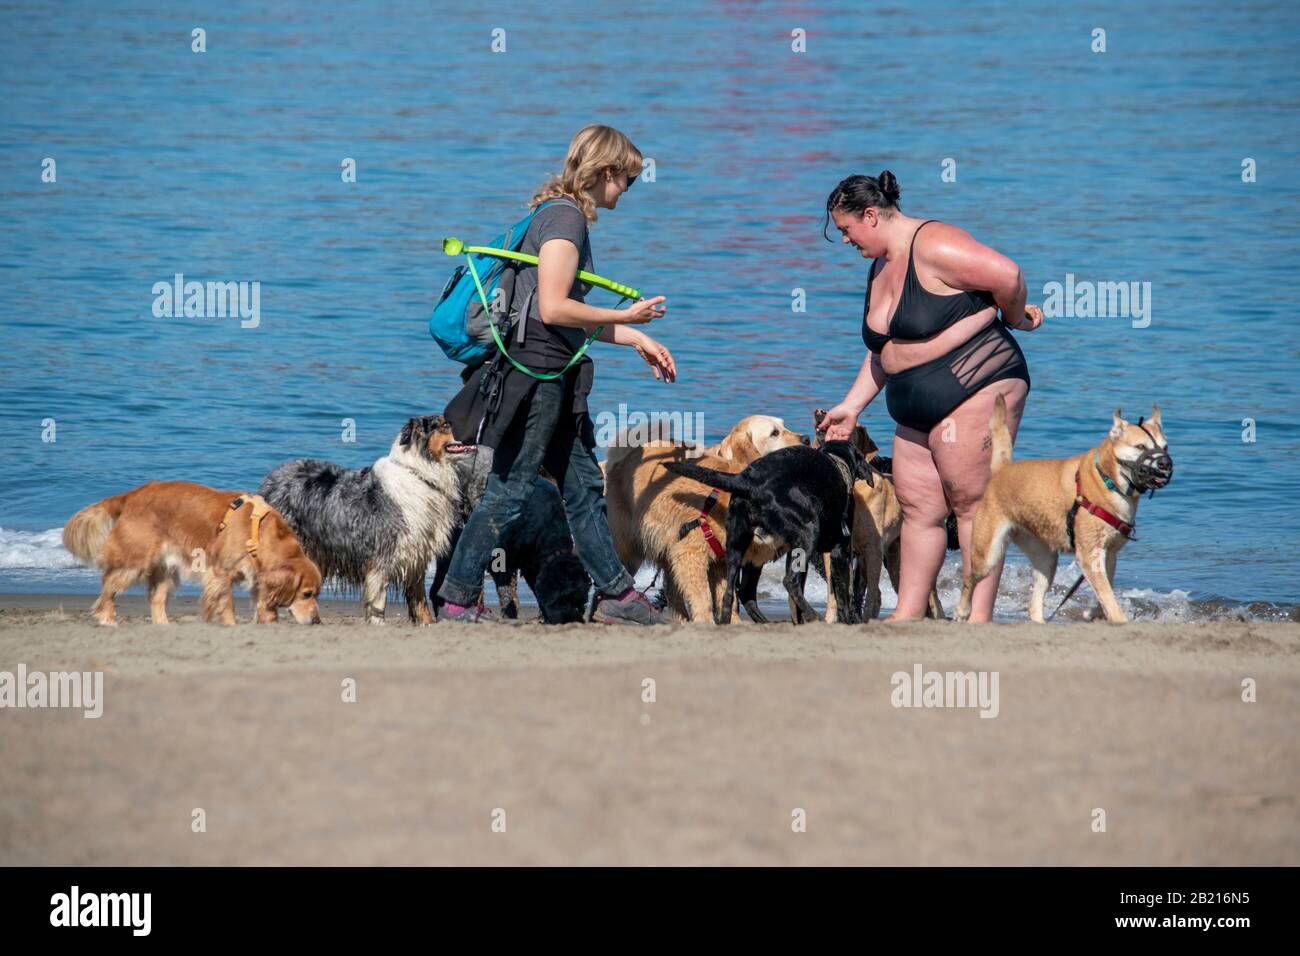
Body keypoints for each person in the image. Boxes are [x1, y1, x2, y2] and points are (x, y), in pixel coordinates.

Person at [438, 124, 677, 624]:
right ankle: (457, 597)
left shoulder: (550, 213)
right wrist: (624, 317)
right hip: (538, 379)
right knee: (508, 491)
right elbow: (553, 309)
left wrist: (636, 339)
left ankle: (616, 595)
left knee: (583, 488)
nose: (627, 191)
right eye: (627, 181)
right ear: (605, 172)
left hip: (546, 371)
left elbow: (563, 317)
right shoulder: (567, 220)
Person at [817, 172, 1043, 622]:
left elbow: (1008, 274)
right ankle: (908, 614)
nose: (844, 240)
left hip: (978, 379)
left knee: (971, 502)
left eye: (846, 230)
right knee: (918, 506)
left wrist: (1015, 317)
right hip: (913, 404)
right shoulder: (879, 266)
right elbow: (883, 351)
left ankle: (977, 620)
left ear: (871, 215)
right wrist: (851, 406)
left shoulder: (934, 243)